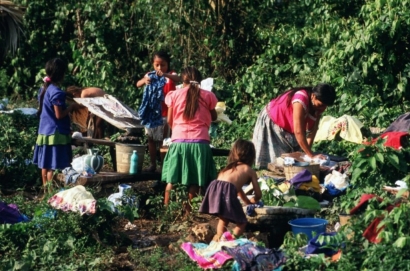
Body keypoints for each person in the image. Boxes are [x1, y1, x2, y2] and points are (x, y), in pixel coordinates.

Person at [161, 66, 218, 212]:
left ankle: (166, 210)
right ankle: (188, 212)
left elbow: (169, 120)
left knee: (171, 179)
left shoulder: (174, 95)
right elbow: (214, 117)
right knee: (196, 179)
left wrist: (178, 130)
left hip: (178, 141)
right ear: (200, 80)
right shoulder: (208, 96)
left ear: (182, 80)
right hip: (200, 142)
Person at [252, 83, 336, 169]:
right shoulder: (300, 99)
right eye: (321, 105)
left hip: (288, 126)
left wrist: (307, 153)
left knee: (293, 161)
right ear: (313, 96)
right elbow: (298, 131)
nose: (323, 109)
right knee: (277, 162)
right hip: (274, 120)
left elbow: (313, 130)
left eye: (325, 106)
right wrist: (310, 155)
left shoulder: (318, 107)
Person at [199, 139, 262, 240]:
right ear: (251, 157)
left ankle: (219, 239)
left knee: (223, 219)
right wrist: (253, 201)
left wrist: (246, 201)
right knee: (242, 222)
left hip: (214, 188)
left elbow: (236, 188)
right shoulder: (248, 170)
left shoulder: (228, 168)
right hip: (226, 191)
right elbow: (258, 194)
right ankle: (231, 241)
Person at [33, 58, 81, 190]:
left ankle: (45, 193)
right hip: (56, 134)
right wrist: (71, 107)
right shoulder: (57, 93)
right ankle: (51, 194)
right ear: (62, 74)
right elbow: (59, 115)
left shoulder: (44, 89)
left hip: (44, 132)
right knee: (53, 167)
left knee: (45, 165)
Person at [136, 50, 180, 172]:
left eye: (163, 65)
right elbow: (138, 84)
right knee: (151, 139)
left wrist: (165, 75)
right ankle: (152, 164)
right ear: (153, 64)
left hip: (166, 114)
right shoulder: (150, 75)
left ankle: (163, 167)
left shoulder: (170, 75)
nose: (160, 67)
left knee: (163, 141)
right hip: (152, 114)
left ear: (168, 64)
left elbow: (178, 78)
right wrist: (145, 81)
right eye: (157, 65)